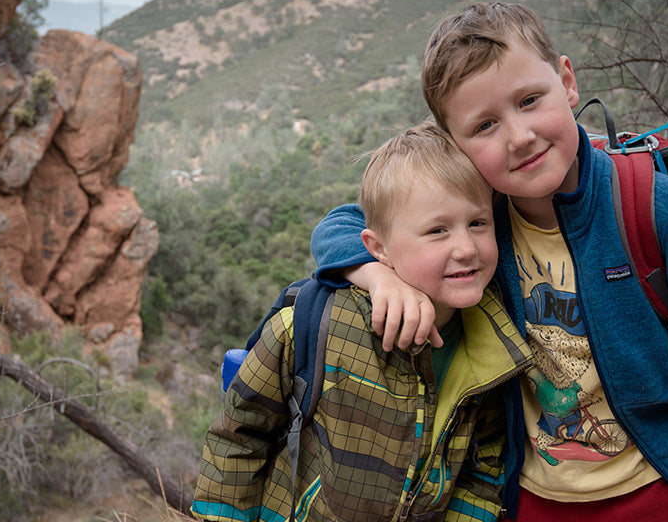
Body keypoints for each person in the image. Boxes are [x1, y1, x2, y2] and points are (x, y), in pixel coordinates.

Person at [309, 2, 668, 521]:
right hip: (528, 495)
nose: (519, 136)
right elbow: (343, 224)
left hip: (654, 483)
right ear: (454, 147)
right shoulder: (479, 214)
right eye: (484, 125)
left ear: (567, 82)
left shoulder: (655, 209)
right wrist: (374, 275)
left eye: (530, 100)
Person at [192, 121, 533, 522]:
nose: (466, 248)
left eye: (477, 223)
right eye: (437, 230)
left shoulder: (492, 346)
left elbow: (481, 469)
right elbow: (239, 437)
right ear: (377, 248)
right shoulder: (312, 323)